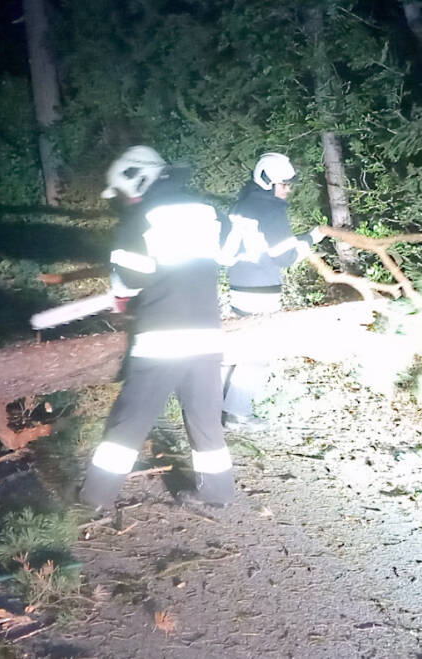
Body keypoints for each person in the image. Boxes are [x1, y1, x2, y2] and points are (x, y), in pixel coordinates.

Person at [79, 146, 239, 510]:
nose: (124, 201)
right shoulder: (208, 211)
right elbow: (230, 253)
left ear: (139, 180)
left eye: (123, 194)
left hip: (160, 339)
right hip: (206, 336)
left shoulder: (138, 220)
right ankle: (218, 493)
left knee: (129, 422)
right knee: (205, 419)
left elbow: (129, 281)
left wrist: (121, 297)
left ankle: (94, 497)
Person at [221, 152, 327, 429]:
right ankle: (237, 413)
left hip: (239, 286)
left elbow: (227, 255)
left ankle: (216, 406)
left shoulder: (241, 205)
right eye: (284, 184)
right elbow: (286, 257)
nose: (288, 190)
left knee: (238, 347)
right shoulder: (271, 210)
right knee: (258, 354)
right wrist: (312, 238)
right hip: (263, 291)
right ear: (268, 182)